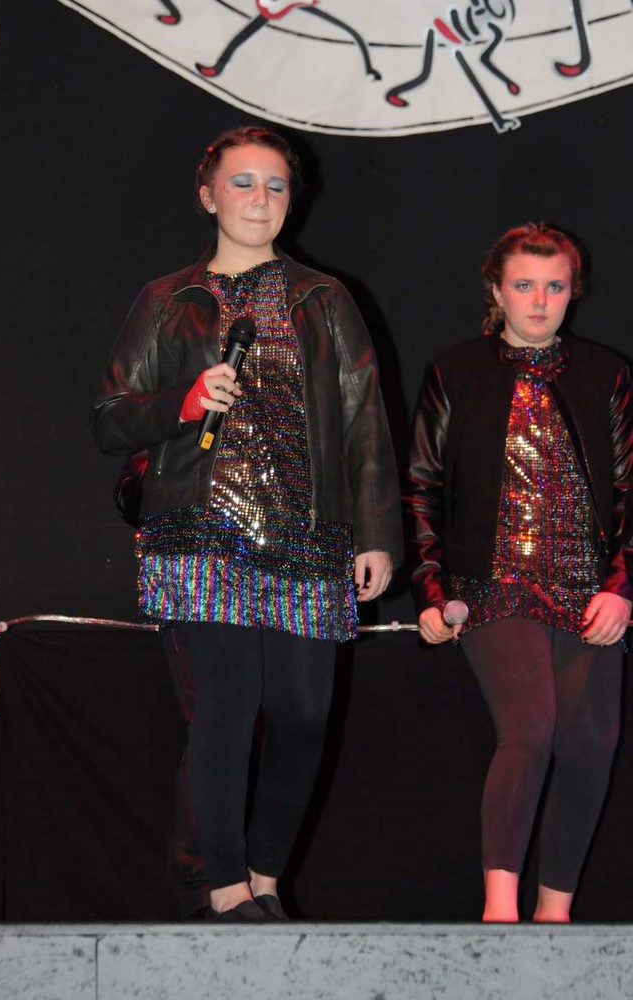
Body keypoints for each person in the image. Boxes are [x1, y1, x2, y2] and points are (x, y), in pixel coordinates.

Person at [91, 126, 402, 921]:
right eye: (242, 183)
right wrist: (185, 401)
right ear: (208, 196)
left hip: (307, 533)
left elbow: (365, 420)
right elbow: (109, 417)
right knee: (226, 704)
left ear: (292, 200)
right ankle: (223, 888)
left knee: (302, 717)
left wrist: (376, 533)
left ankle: (264, 878)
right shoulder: (167, 300)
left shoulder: (324, 299)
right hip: (200, 533)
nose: (260, 199)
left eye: (275, 185)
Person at [405, 222, 633, 923]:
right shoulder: (456, 370)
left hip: (585, 586)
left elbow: (630, 492)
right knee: (530, 726)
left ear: (573, 292)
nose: (539, 301)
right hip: (494, 584)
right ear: (497, 291)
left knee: (591, 742)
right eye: (525, 285)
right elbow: (422, 487)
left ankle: (553, 916)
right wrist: (431, 590)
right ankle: (499, 913)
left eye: (554, 286)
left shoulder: (607, 374)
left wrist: (621, 589)